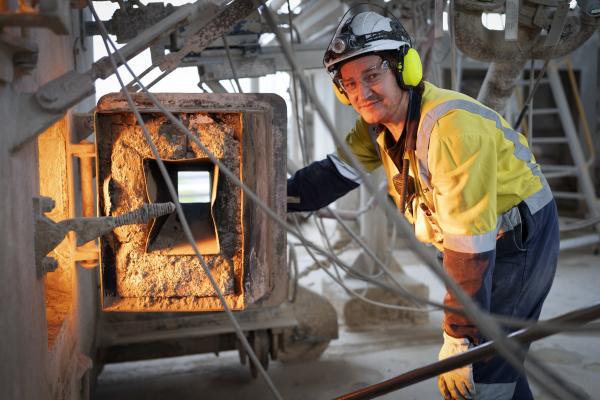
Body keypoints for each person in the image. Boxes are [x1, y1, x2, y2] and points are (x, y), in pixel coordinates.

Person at [287, 4, 559, 400]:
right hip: (475, 241)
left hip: (516, 240)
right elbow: (330, 176)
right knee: (497, 366)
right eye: (348, 83)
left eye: (372, 75)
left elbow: (470, 249)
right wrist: (269, 197)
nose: (362, 92)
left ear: (404, 69)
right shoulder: (377, 127)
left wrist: (457, 338)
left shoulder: (450, 130)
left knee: (484, 375)